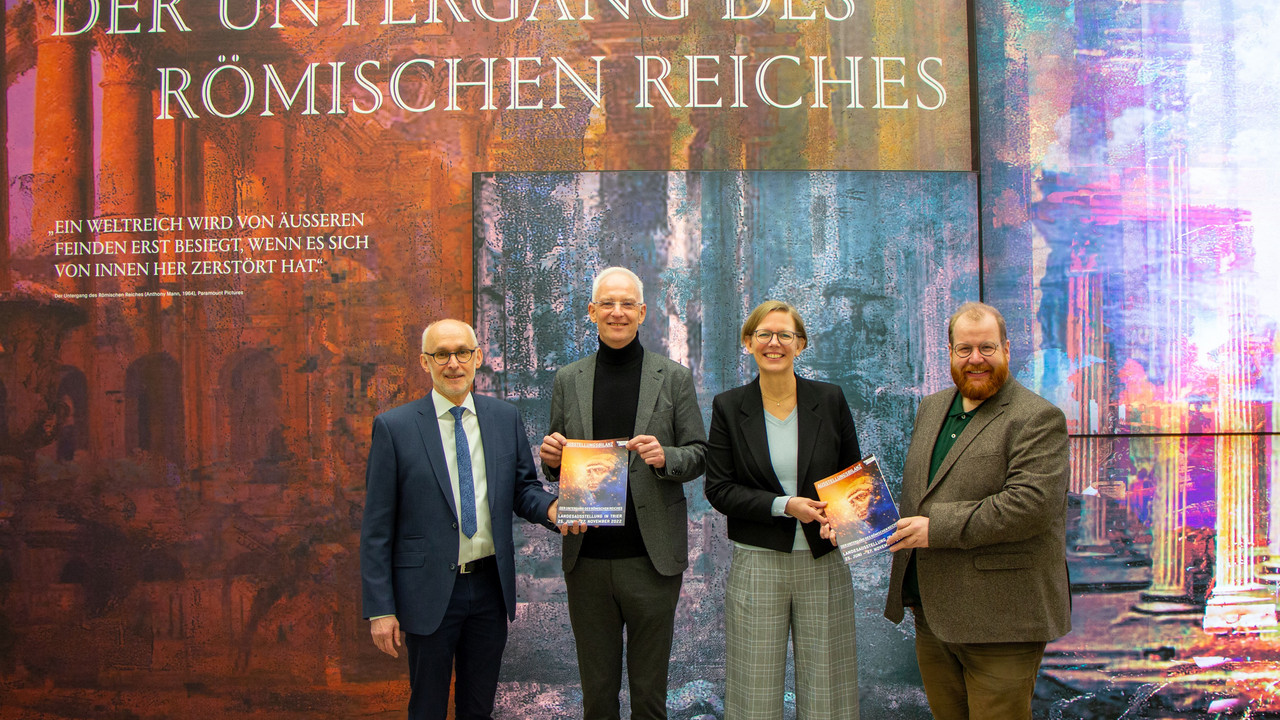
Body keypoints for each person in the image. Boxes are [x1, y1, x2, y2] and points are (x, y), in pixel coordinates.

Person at [360, 319, 561, 720]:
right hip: (427, 592)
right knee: (427, 707)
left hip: (489, 589)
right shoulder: (395, 428)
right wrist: (381, 609)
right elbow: (377, 527)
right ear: (425, 362)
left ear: (478, 358)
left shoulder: (504, 418)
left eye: (463, 353)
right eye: (441, 354)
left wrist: (554, 509)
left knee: (478, 708)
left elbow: (523, 490)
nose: (453, 363)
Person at [883, 301, 1071, 720]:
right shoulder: (933, 408)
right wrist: (854, 523)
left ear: (1006, 349)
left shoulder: (1038, 417)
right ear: (950, 352)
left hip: (1002, 619)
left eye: (986, 348)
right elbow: (924, 494)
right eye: (964, 349)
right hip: (933, 613)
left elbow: (1030, 506)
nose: (976, 360)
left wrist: (935, 529)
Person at [540, 266, 708, 720]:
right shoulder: (567, 379)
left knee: (649, 697)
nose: (617, 312)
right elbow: (556, 462)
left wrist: (665, 456)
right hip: (587, 559)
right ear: (592, 311)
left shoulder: (672, 378)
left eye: (627, 304)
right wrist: (551, 457)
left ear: (642, 312)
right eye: (608, 304)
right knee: (597, 698)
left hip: (651, 560)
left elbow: (699, 454)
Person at [704, 300, 861, 720]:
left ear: (800, 343)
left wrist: (846, 523)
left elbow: (853, 479)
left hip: (823, 561)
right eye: (764, 334)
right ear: (748, 342)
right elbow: (718, 489)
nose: (774, 343)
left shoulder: (830, 400)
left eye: (785, 335)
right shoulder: (728, 406)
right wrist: (784, 505)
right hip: (758, 563)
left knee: (830, 696)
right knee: (753, 697)